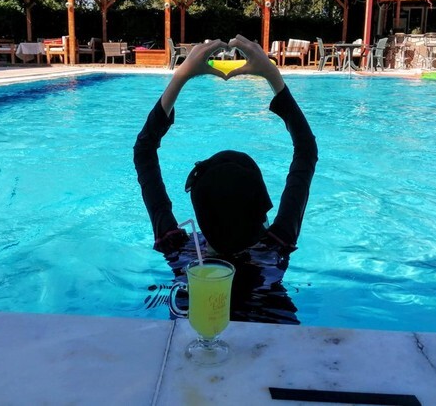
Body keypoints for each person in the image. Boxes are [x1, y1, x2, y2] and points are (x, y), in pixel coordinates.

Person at [134, 34, 318, 324]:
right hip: (275, 333)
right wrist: (272, 74)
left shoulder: (177, 247)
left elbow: (144, 152)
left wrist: (181, 75)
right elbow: (306, 151)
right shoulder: (276, 244)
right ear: (262, 207)